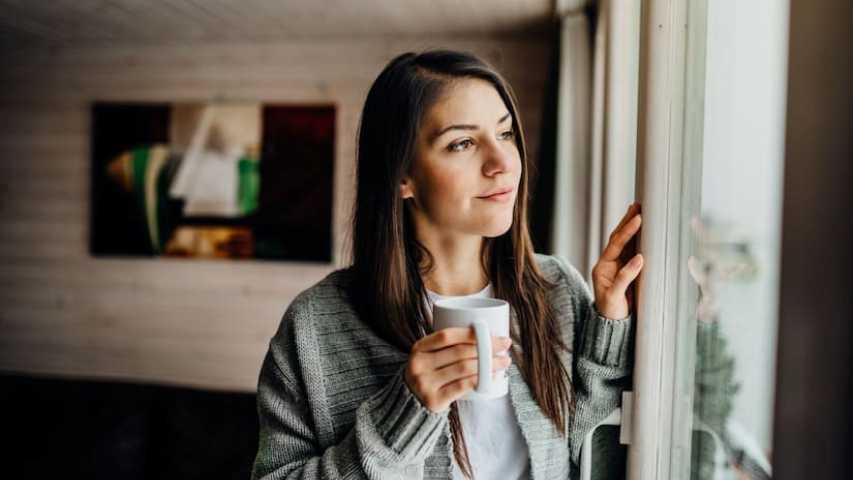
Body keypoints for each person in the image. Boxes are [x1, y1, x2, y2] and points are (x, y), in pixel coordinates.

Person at [250, 50, 644, 480]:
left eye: (505, 133)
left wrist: (609, 323)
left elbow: (595, 456)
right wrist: (402, 415)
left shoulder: (557, 288)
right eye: (462, 143)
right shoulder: (315, 325)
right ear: (402, 175)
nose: (502, 163)